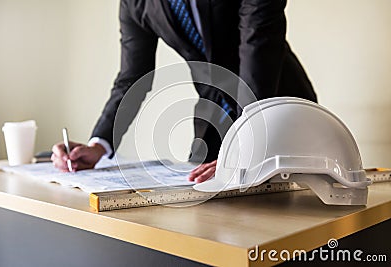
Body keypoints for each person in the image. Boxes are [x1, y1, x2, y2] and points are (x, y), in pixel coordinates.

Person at [52, 0, 317, 183]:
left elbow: (257, 42)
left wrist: (247, 145)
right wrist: (98, 144)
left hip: (275, 105)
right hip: (213, 115)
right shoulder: (135, 4)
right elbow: (131, 77)